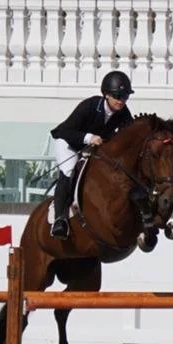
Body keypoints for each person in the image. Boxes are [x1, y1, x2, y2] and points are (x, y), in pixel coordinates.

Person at [48, 70, 134, 239]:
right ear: (106, 95)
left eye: (125, 97)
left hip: (93, 149)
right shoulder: (89, 106)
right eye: (118, 96)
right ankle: (60, 219)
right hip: (70, 143)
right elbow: (64, 131)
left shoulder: (123, 113)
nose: (121, 101)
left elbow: (128, 134)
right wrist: (88, 137)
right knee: (69, 171)